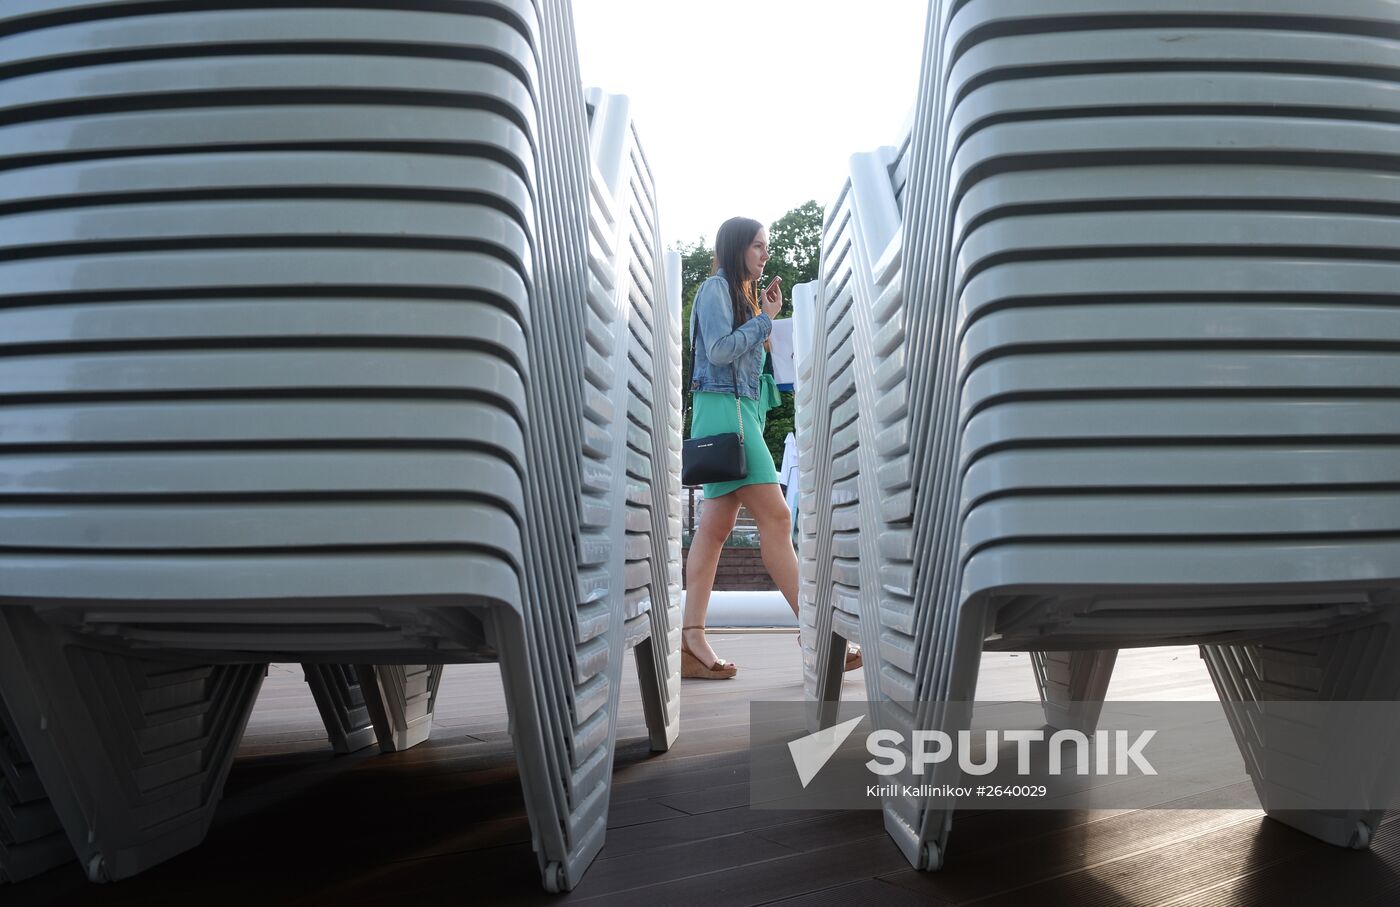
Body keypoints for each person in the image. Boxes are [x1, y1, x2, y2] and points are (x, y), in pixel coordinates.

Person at [682, 216, 862, 680]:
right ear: (737, 246)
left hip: (737, 411)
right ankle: (816, 631)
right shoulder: (716, 289)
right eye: (758, 246)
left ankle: (691, 639)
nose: (765, 253)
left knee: (714, 529)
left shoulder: (739, 296)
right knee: (778, 518)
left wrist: (764, 325)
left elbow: (744, 360)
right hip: (726, 412)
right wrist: (763, 320)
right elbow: (718, 351)